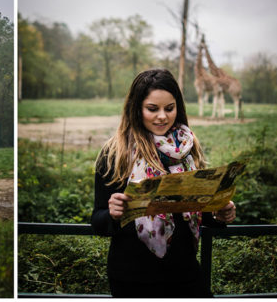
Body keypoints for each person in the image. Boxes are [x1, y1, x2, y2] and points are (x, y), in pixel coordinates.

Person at [92, 69, 236, 297]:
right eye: (152, 109)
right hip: (133, 278)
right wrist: (112, 214)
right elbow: (97, 220)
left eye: (169, 108)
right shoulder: (114, 153)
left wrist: (218, 213)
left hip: (185, 273)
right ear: (136, 108)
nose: (162, 116)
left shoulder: (187, 148)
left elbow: (191, 209)